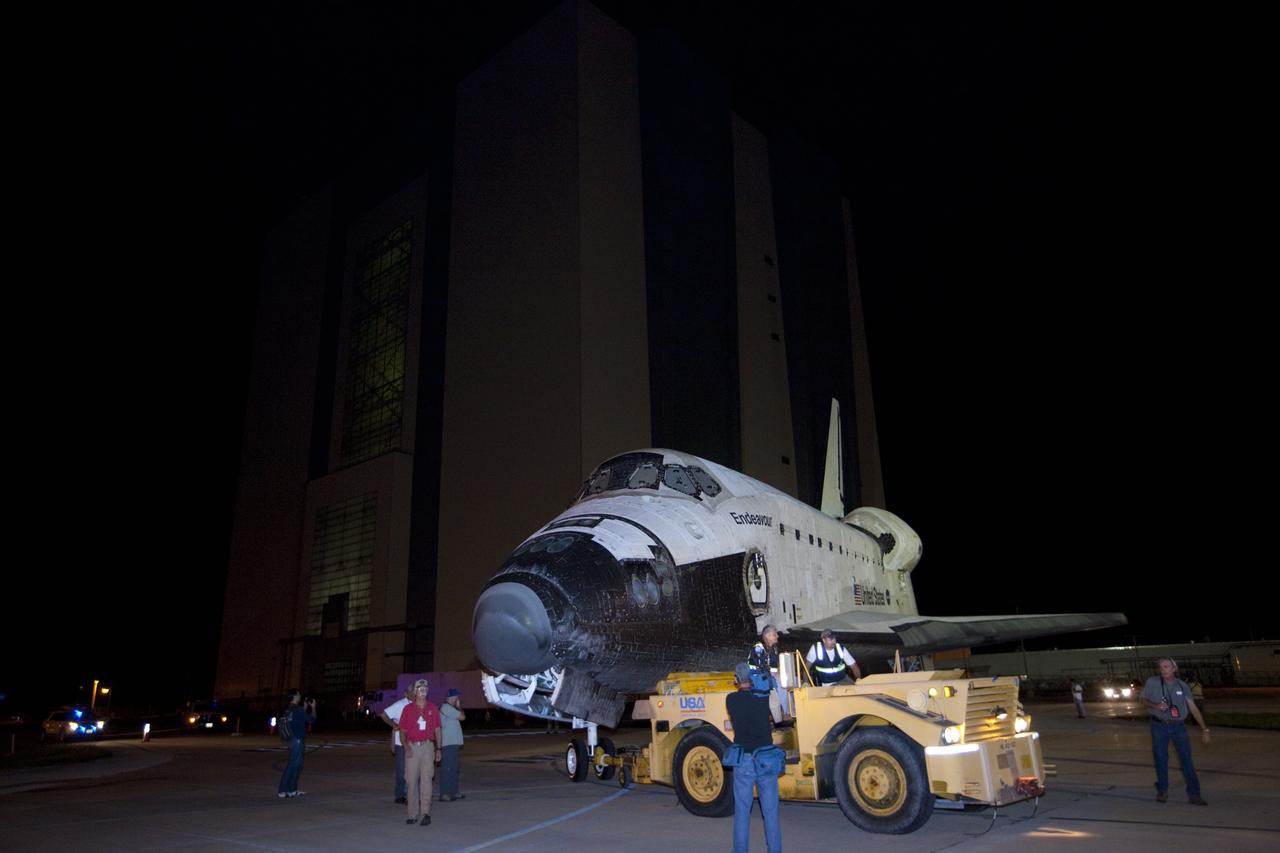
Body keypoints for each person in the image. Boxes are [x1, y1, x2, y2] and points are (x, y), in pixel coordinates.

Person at [726, 662, 782, 853]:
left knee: (742, 812)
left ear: (736, 680)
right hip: (766, 759)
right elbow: (778, 716)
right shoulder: (763, 698)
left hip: (744, 761)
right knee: (771, 812)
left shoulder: (731, 700)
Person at [1141, 657, 1209, 805]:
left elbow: (1193, 707)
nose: (1163, 669)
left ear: (1174, 668)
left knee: (1186, 760)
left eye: (1166, 666)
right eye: (1160, 667)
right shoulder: (1153, 682)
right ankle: (1162, 790)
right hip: (1159, 726)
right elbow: (1143, 699)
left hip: (1178, 726)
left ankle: (1194, 794)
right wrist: (1155, 705)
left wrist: (1204, 729)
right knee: (1161, 758)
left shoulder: (1182, 686)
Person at [398, 678, 443, 825]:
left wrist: (439, 748)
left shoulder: (433, 708)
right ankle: (412, 813)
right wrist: (406, 747)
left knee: (427, 780)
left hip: (428, 747)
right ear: (415, 691)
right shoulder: (408, 709)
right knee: (411, 781)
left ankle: (425, 813)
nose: (423, 691)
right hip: (412, 747)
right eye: (420, 688)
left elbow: (437, 729)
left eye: (425, 689)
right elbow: (402, 731)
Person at [277, 689, 316, 798]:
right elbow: (311, 719)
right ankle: (284, 790)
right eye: (298, 694)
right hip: (298, 740)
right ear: (294, 696)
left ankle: (291, 790)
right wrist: (313, 707)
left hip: (291, 740)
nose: (300, 696)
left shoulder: (289, 709)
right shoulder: (297, 710)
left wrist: (304, 707)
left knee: (295, 766)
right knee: (294, 766)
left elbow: (298, 719)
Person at [379, 686, 414, 804]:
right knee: (402, 770)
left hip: (416, 742)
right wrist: (394, 725)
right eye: (411, 692)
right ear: (406, 693)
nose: (414, 694)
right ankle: (400, 794)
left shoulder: (419, 704)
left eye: (415, 692)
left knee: (413, 770)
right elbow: (384, 715)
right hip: (401, 743)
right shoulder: (400, 705)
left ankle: (410, 794)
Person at [749, 625, 791, 717]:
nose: (777, 636)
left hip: (768, 681)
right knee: (782, 685)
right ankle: (784, 714)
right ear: (767, 636)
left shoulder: (773, 649)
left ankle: (787, 713)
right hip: (759, 683)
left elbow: (773, 669)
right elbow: (760, 668)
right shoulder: (758, 649)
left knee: (791, 681)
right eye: (774, 634)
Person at [438, 687, 466, 802]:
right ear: (449, 697)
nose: (457, 698)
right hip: (447, 743)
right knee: (447, 768)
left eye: (457, 697)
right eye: (455, 697)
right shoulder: (446, 708)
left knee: (454, 768)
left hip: (453, 743)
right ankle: (444, 793)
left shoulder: (450, 708)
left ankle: (454, 791)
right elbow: (463, 717)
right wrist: (459, 706)